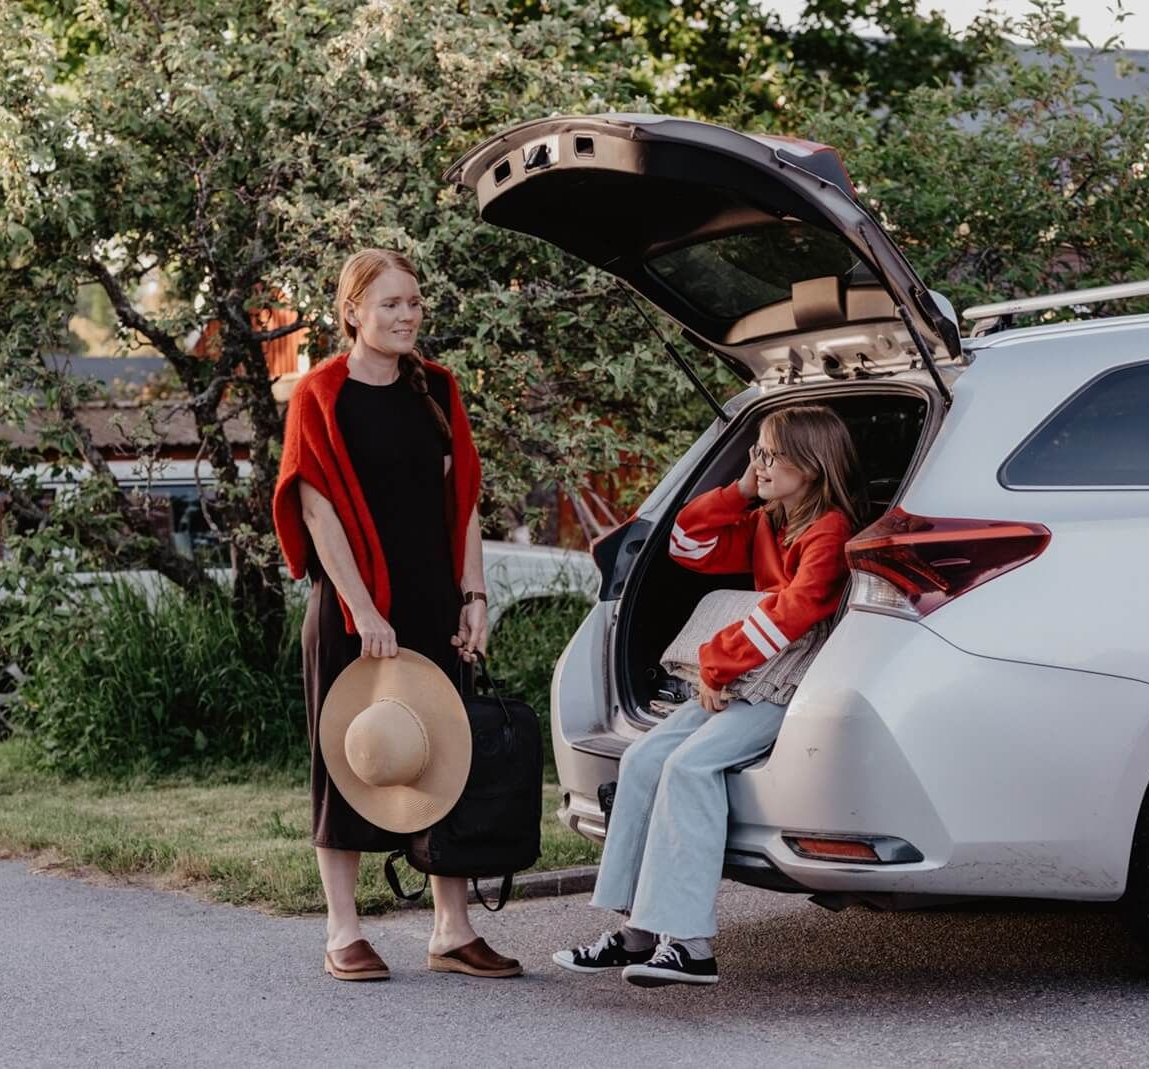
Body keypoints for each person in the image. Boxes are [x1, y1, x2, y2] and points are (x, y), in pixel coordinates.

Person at [273, 248, 520, 981]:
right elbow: (315, 511)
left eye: (413, 302)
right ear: (352, 311)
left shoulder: (436, 388)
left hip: (433, 600)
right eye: (390, 304)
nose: (407, 315)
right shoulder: (319, 394)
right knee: (347, 757)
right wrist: (362, 608)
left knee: (444, 753)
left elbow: (463, 501)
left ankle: (451, 930)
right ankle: (342, 929)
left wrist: (474, 596)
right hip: (351, 609)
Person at [553, 405, 863, 987]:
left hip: (786, 681)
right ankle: (636, 932)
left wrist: (716, 665)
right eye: (758, 453)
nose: (760, 464)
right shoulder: (768, 522)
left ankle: (692, 946)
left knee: (690, 766)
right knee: (644, 757)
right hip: (746, 672)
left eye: (772, 456)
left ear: (812, 466)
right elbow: (687, 543)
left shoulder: (829, 530)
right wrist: (741, 490)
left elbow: (797, 610)